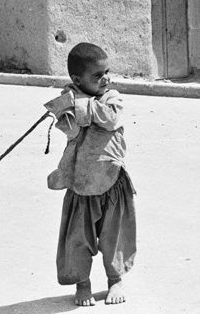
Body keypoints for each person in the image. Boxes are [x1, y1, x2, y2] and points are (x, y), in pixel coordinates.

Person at [43, 42, 136, 307]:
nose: (106, 78)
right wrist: (65, 107)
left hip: (111, 182)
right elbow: (71, 131)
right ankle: (82, 283)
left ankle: (115, 278)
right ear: (76, 80)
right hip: (81, 185)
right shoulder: (70, 99)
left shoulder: (112, 98)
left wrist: (83, 103)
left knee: (113, 236)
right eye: (97, 76)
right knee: (77, 239)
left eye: (107, 71)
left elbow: (109, 119)